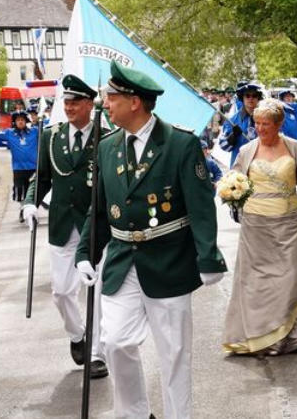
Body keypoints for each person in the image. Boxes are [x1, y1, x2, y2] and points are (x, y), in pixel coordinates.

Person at [74, 61, 227, 419]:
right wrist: (84, 253)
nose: (104, 104)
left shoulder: (179, 144)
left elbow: (201, 206)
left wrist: (208, 256)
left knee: (174, 352)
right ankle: (135, 414)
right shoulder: (107, 147)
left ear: (134, 102)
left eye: (111, 97)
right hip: (122, 260)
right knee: (116, 342)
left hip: (169, 260)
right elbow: (99, 209)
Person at [222, 98, 297, 356]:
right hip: (256, 225)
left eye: (266, 124)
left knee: (293, 275)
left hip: (290, 223)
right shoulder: (246, 151)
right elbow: (233, 179)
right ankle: (267, 337)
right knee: (261, 281)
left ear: (279, 124)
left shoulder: (294, 147)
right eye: (257, 123)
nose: (260, 129)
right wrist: (229, 192)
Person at [21, 75, 109, 379]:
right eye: (66, 102)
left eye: (75, 102)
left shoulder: (106, 137)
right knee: (61, 292)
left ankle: (97, 353)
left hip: (95, 225)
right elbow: (41, 177)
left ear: (89, 105)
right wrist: (30, 203)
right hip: (62, 225)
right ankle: (77, 334)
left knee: (95, 290)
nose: (69, 108)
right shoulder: (51, 136)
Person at [219, 82, 263, 167]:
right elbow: (224, 146)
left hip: (260, 165)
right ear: (242, 98)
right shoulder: (232, 120)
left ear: (258, 98)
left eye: (254, 96)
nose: (251, 98)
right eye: (247, 96)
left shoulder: (266, 118)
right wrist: (232, 136)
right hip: (239, 166)